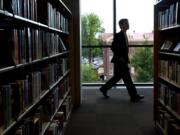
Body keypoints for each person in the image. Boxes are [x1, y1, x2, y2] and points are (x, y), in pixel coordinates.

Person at [99, 18, 144, 102]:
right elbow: (113, 47)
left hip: (121, 61)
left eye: (128, 23)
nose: (128, 25)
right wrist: (120, 57)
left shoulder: (124, 34)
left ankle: (104, 89)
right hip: (120, 61)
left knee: (117, 78)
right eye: (126, 23)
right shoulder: (119, 35)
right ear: (121, 25)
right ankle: (134, 96)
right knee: (128, 79)